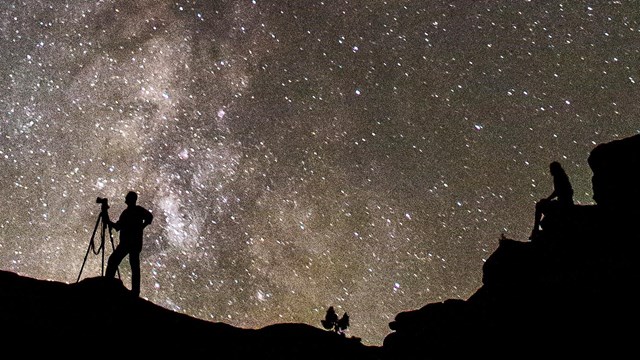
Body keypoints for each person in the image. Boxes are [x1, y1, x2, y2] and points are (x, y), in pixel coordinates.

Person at [104, 191, 153, 297]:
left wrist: (141, 227)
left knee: (113, 261)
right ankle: (135, 291)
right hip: (133, 243)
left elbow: (118, 227)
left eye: (127, 197)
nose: (125, 198)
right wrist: (141, 227)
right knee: (134, 266)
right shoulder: (134, 211)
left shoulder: (130, 212)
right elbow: (149, 217)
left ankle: (108, 285)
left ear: (130, 199)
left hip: (127, 243)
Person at [529, 161, 574, 240]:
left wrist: (547, 200)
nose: (550, 171)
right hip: (563, 203)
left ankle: (536, 229)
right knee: (541, 204)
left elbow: (558, 191)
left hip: (563, 204)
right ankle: (536, 228)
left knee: (539, 205)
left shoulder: (559, 177)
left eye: (551, 169)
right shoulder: (561, 176)